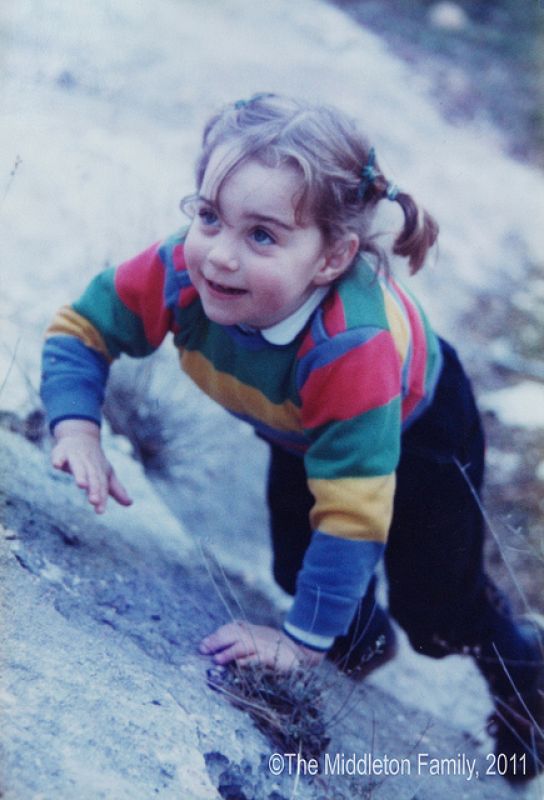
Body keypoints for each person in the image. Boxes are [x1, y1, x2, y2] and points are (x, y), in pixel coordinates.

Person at [40, 93, 542, 781]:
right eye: (210, 216)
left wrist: (299, 646)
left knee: (437, 612)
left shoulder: (349, 347)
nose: (219, 255)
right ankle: (359, 644)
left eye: (263, 236)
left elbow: (353, 512)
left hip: (421, 431)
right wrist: (78, 427)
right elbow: (81, 330)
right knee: (294, 570)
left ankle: (525, 679)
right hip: (306, 432)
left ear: (332, 257)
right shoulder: (179, 271)